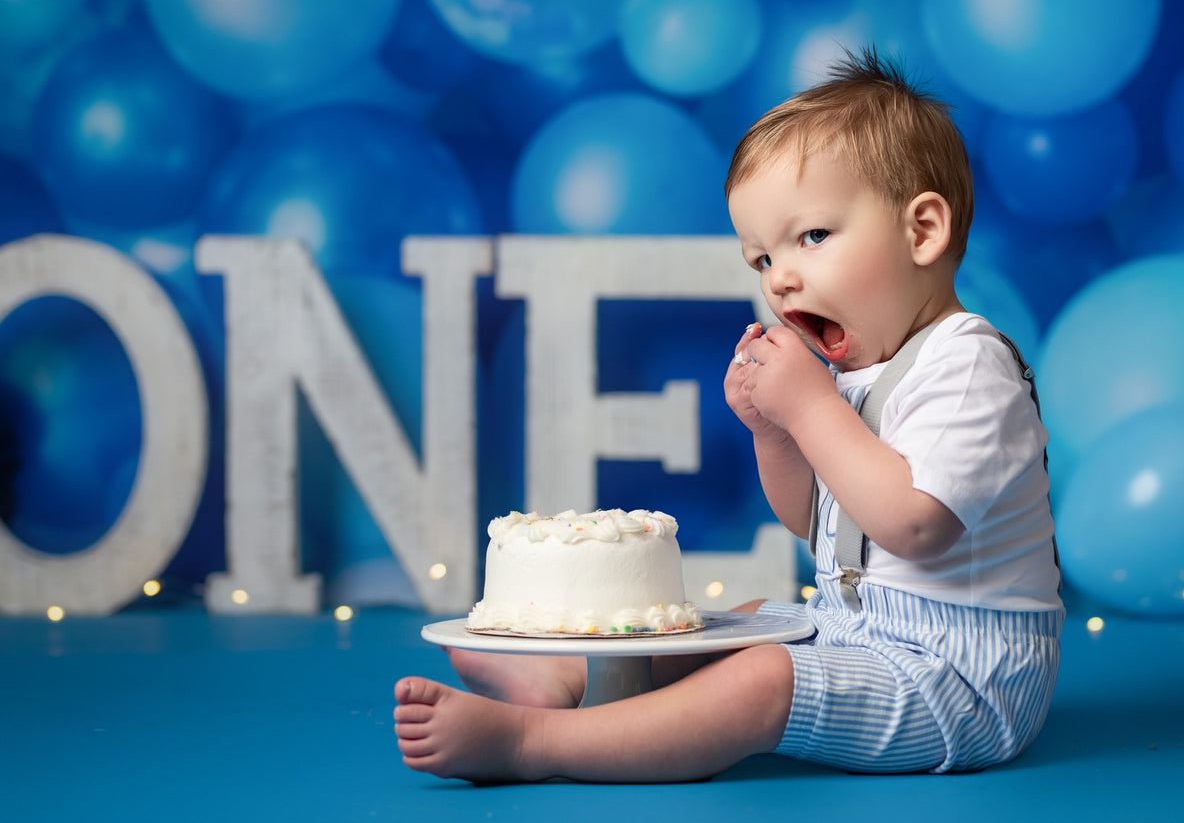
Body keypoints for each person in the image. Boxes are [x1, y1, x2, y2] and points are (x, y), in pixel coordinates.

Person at [393, 48, 1064, 783]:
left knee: (761, 679)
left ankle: (533, 744)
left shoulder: (966, 364)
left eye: (810, 237)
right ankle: (577, 685)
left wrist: (807, 407)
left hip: (960, 680)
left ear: (922, 232)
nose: (781, 279)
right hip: (861, 633)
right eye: (759, 261)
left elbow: (910, 525)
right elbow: (814, 522)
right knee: (745, 616)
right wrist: (772, 430)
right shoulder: (856, 369)